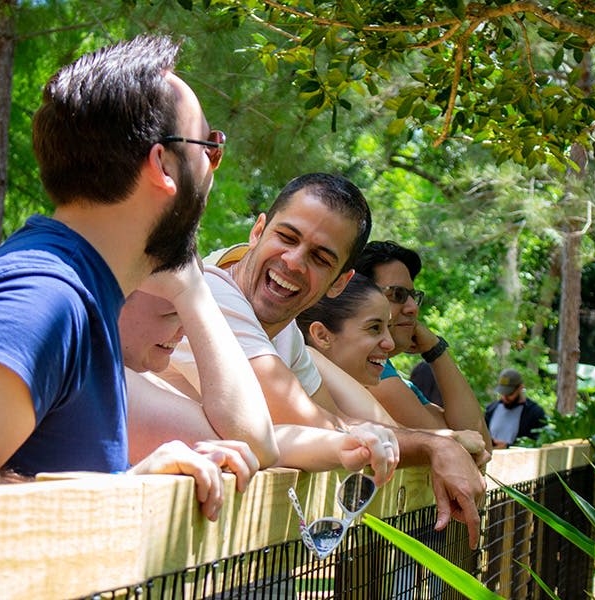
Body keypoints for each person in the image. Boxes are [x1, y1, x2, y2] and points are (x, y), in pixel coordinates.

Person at [0, 36, 253, 521]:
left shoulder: (81, 291)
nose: (215, 167)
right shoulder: (44, 293)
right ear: (162, 166)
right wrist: (121, 492)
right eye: (210, 147)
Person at [166, 173, 487, 548]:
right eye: (287, 237)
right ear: (258, 231)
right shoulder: (213, 292)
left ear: (339, 282)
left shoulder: (283, 331)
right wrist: (437, 445)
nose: (293, 261)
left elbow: (340, 421)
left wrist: (439, 442)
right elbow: (316, 424)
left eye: (320, 258)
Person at [120, 263, 398, 482]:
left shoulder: (137, 381)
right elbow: (255, 440)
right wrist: (193, 294)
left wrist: (341, 444)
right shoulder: (113, 380)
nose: (184, 333)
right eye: (171, 314)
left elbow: (252, 441)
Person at [297, 274, 486, 456]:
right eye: (374, 328)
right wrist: (447, 441)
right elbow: (386, 439)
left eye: (389, 327)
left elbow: (475, 441)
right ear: (322, 335)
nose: (390, 344)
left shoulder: (352, 383)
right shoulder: (301, 367)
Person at [354, 241, 492, 450]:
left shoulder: (393, 377)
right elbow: (464, 450)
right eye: (397, 295)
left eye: (413, 296)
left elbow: (478, 441)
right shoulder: (370, 371)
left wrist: (435, 349)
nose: (412, 308)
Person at [484, 368, 547, 448]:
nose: (505, 397)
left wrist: (508, 446)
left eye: (510, 394)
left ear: (520, 388)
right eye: (502, 393)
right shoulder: (491, 409)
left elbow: (538, 443)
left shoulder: (535, 413)